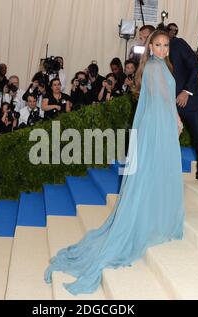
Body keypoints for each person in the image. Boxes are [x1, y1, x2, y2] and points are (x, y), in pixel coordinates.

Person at [45, 30, 185, 295]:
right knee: (157, 170)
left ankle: (154, 218)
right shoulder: (156, 69)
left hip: (156, 124)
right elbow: (164, 99)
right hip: (159, 125)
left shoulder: (159, 66)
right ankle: (155, 221)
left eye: (166, 45)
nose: (163, 49)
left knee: (153, 172)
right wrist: (176, 119)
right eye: (158, 45)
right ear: (150, 46)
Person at [169, 24, 198, 185]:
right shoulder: (150, 54)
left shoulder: (178, 44)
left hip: (190, 100)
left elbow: (196, 66)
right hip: (167, 104)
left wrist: (186, 91)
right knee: (166, 139)